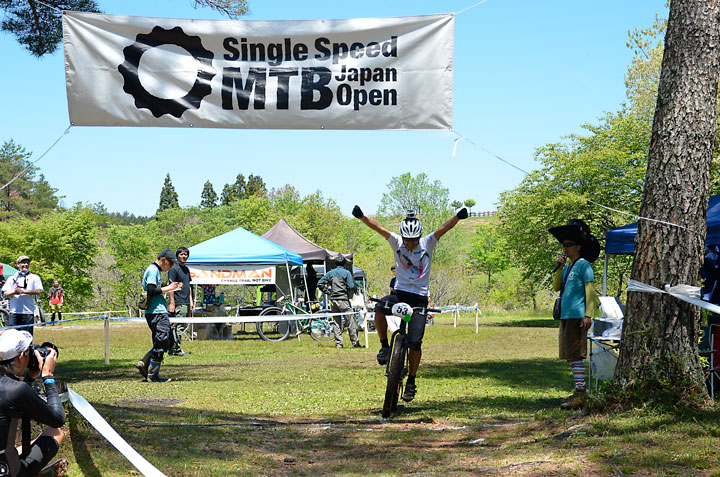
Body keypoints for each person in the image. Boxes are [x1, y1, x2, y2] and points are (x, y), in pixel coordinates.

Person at [352, 205, 468, 402]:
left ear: (419, 237)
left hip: (419, 298)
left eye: (414, 240)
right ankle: (384, 347)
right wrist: (362, 216)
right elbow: (378, 228)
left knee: (415, 342)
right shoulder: (396, 242)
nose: (411, 244)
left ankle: (412, 381)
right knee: (379, 308)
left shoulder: (428, 243)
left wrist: (458, 216)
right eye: (408, 240)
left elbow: (445, 227)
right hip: (399, 293)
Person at [0, 329, 68, 477]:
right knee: (55, 433)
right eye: (28, 351)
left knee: (13, 447)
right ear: (20, 357)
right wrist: (48, 376)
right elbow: (57, 419)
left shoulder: (12, 388)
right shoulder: (16, 390)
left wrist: (29, 379)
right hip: (7, 472)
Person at [549, 219, 600, 410]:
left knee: (575, 353)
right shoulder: (568, 266)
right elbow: (556, 287)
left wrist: (588, 315)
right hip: (565, 315)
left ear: (578, 246)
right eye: (563, 245)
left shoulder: (583, 264)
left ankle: (581, 392)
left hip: (577, 316)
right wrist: (559, 268)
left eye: (568, 245)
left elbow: (590, 290)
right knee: (569, 355)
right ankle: (579, 390)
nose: (565, 248)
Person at [135, 249, 182, 383]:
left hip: (158, 311)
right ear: (163, 260)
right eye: (170, 263)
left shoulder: (155, 271)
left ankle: (144, 363)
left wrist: (171, 287)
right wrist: (168, 289)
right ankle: (152, 375)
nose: (171, 267)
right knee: (161, 342)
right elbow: (151, 290)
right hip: (156, 312)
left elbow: (156, 288)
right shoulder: (153, 270)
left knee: (168, 341)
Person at [318, 256, 360, 348]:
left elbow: (320, 283)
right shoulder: (346, 273)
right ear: (344, 264)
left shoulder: (330, 273)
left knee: (336, 322)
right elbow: (351, 285)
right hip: (343, 299)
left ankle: (339, 344)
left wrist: (328, 291)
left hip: (333, 300)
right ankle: (355, 343)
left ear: (335, 264)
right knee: (350, 321)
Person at [2, 257, 43, 336]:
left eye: (27, 263)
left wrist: (24, 291)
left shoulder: (34, 277)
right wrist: (14, 292)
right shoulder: (12, 278)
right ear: (18, 264)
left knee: (27, 336)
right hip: (14, 312)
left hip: (28, 312)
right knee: (13, 336)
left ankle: (27, 348)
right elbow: (5, 294)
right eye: (23, 263)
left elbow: (38, 291)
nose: (26, 265)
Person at [168, 247, 193, 357]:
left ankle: (175, 349)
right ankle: (175, 350)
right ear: (177, 255)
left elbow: (189, 286)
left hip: (186, 302)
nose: (184, 256)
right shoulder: (173, 269)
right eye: (182, 254)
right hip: (179, 302)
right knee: (178, 327)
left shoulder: (186, 269)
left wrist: (191, 301)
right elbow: (171, 287)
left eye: (186, 254)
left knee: (181, 326)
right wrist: (172, 303)